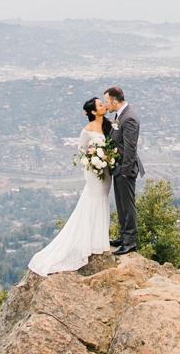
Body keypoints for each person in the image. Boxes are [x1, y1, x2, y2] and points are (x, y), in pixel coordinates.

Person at [27, 97, 113, 275]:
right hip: (94, 172)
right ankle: (90, 242)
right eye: (100, 105)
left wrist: (107, 159)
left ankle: (99, 240)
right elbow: (81, 151)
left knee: (103, 199)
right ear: (93, 112)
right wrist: (92, 163)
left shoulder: (108, 125)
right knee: (93, 200)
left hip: (106, 171)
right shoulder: (87, 130)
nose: (104, 106)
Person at [104, 86, 143, 256]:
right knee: (120, 205)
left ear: (114, 101)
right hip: (118, 168)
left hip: (125, 169)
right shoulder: (120, 116)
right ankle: (122, 236)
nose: (106, 105)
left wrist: (125, 171)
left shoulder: (129, 119)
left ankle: (130, 242)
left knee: (128, 206)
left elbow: (130, 148)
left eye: (106, 102)